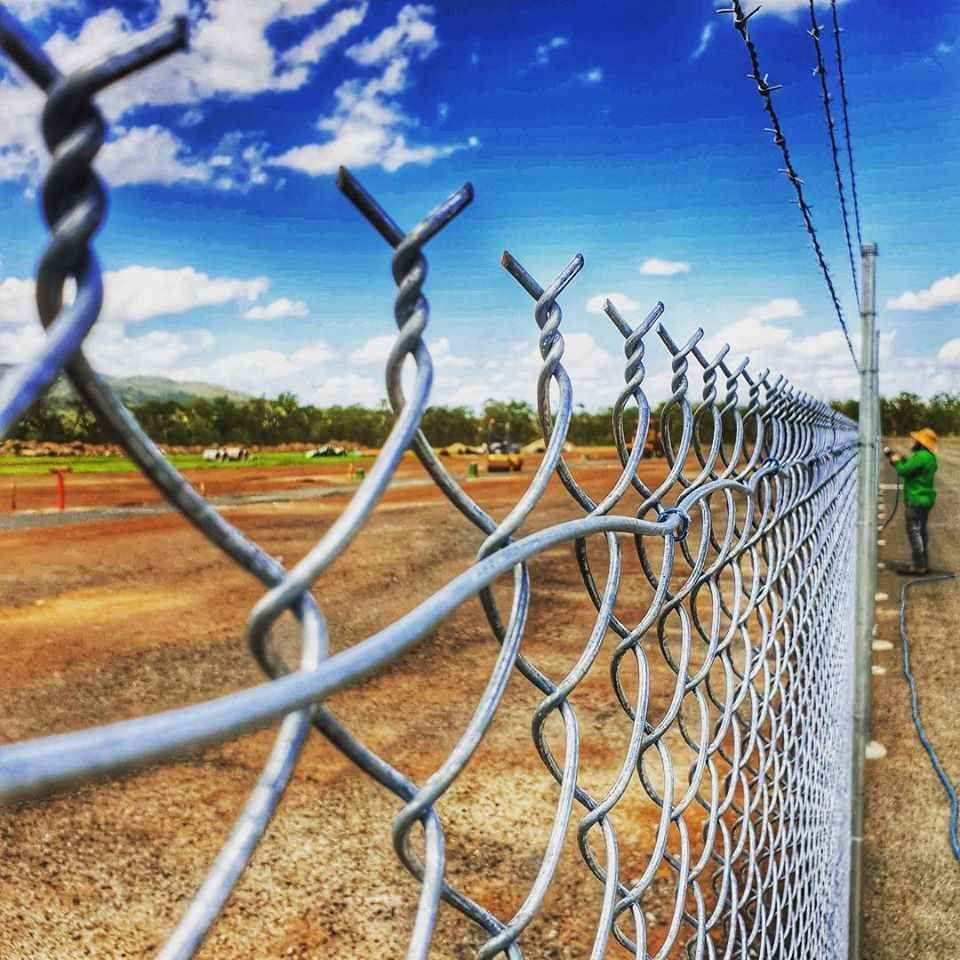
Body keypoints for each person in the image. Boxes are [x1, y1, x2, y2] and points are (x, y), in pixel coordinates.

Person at [883, 427, 938, 575]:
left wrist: (895, 462)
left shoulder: (920, 456)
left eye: (915, 440)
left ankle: (919, 565)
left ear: (921, 443)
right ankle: (922, 562)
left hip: (916, 499)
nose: (912, 441)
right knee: (921, 531)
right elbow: (914, 468)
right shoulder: (929, 457)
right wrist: (903, 459)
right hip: (925, 499)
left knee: (914, 531)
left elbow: (903, 471)